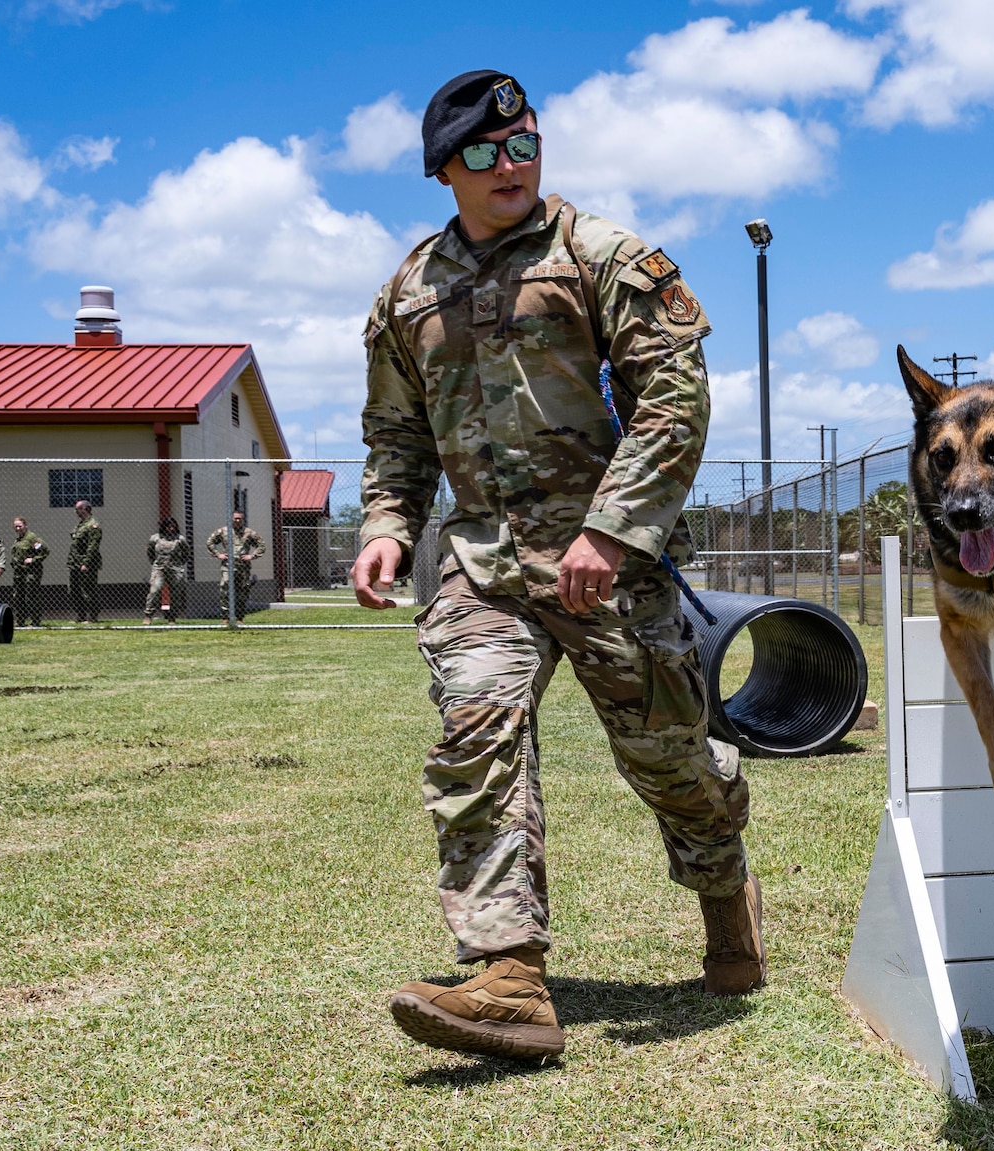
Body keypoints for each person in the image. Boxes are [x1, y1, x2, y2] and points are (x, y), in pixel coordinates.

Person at [354, 71, 754, 1062]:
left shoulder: (601, 256)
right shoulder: (408, 293)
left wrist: (611, 530)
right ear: (444, 170)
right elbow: (396, 435)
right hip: (483, 566)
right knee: (476, 726)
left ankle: (723, 886)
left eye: (524, 143)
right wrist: (387, 525)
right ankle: (509, 975)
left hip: (607, 565)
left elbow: (674, 398)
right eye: (485, 153)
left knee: (667, 757)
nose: (511, 164)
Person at [206, 510, 264, 620]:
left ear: (243, 520)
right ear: (231, 519)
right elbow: (210, 542)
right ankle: (225, 617)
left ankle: (239, 617)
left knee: (242, 592)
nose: (237, 520)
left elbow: (261, 545)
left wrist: (252, 556)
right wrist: (218, 554)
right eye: (235, 518)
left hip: (243, 567)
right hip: (228, 566)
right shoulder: (223, 531)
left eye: (240, 518)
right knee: (225, 588)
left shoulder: (249, 532)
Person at [144, 517, 188, 624]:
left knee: (176, 593)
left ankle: (172, 618)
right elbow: (150, 551)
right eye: (169, 526)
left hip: (175, 569)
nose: (171, 529)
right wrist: (154, 563)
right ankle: (148, 615)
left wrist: (180, 564)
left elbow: (186, 552)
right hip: (159, 568)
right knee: (155, 590)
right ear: (164, 527)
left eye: (173, 526)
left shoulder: (179, 539)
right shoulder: (155, 538)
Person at [67, 500, 103, 623]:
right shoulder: (81, 525)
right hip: (75, 562)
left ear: (84, 509)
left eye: (77, 509)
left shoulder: (93, 525)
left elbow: (93, 546)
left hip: (86, 563)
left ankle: (93, 616)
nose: (75, 511)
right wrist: (70, 563)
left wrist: (86, 563)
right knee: (74, 590)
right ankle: (81, 615)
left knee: (88, 590)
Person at [9, 517, 48, 626]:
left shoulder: (31, 538)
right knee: (18, 597)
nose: (18, 528)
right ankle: (20, 620)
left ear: (25, 526)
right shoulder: (18, 540)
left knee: (32, 596)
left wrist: (33, 560)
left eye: (20, 526)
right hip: (19, 573)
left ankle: (35, 621)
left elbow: (45, 551)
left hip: (30, 573)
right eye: (16, 527)